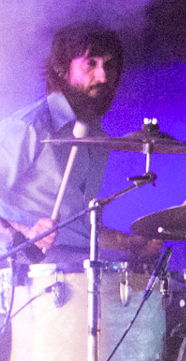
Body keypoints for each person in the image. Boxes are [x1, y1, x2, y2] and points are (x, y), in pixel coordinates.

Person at [0, 23, 162, 264]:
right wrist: (24, 233)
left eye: (109, 65)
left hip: (79, 266)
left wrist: (130, 243)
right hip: (27, 270)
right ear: (61, 68)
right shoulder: (29, 127)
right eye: (90, 64)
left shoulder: (96, 138)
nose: (103, 76)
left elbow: (80, 232)